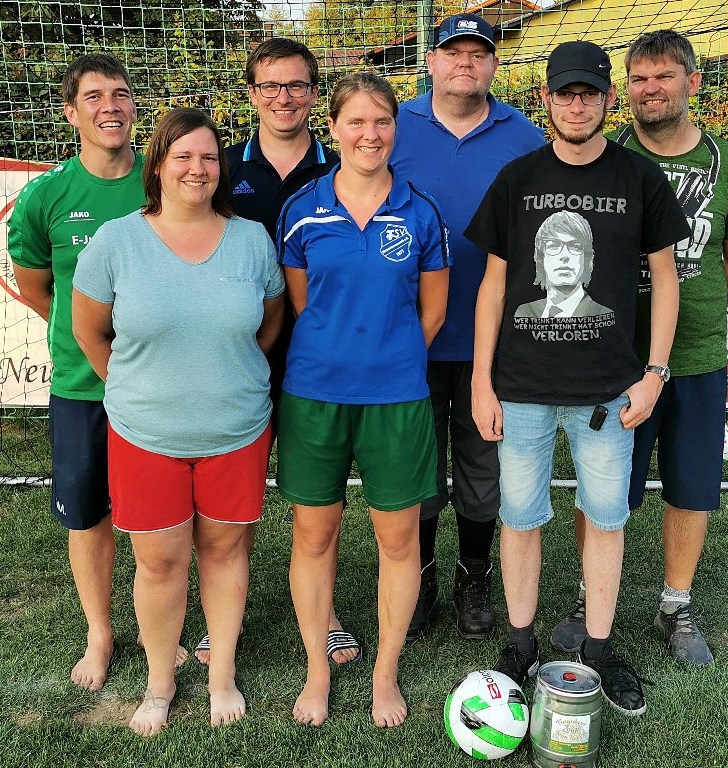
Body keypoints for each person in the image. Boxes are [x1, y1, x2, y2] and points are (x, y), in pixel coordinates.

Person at [467, 40, 689, 716]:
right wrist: (481, 381)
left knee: (605, 520)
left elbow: (665, 278)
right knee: (520, 519)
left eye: (588, 93)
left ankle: (596, 649)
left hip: (607, 393)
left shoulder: (639, 179)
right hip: (523, 389)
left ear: (606, 99)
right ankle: (519, 644)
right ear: (546, 98)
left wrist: (654, 374)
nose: (576, 104)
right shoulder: (516, 178)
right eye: (564, 92)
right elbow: (492, 285)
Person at [550, 30, 728, 668]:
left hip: (696, 358)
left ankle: (676, 603)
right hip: (612, 361)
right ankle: (591, 594)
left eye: (664, 76)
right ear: (625, 90)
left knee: (691, 487)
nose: (651, 89)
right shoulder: (605, 161)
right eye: (639, 78)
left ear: (693, 82)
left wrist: (685, 298)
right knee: (601, 488)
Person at [72, 107, 285, 735]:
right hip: (146, 435)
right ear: (158, 163)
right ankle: (160, 683)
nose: (198, 168)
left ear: (222, 169)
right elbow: (88, 329)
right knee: (159, 564)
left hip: (235, 430)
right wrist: (134, 387)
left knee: (224, 555)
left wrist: (229, 373)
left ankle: (221, 674)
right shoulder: (117, 240)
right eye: (184, 155)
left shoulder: (250, 240)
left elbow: (270, 320)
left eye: (210, 157)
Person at [7, 53, 187, 691]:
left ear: (135, 105)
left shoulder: (164, 180)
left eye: (121, 93)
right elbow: (35, 286)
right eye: (93, 97)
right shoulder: (47, 197)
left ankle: (155, 625)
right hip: (83, 386)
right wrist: (86, 335)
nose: (110, 106)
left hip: (162, 386)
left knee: (159, 514)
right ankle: (100, 633)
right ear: (70, 112)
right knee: (88, 516)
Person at [276, 72, 450, 727]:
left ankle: (384, 675)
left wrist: (386, 355)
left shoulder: (419, 211)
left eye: (381, 121)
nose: (369, 133)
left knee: (397, 541)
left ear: (394, 129)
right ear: (333, 128)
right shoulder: (302, 210)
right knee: (313, 537)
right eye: (356, 121)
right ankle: (317, 672)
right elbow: (302, 305)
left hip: (396, 397)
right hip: (315, 394)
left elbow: (431, 312)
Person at [194, 37, 359, 668]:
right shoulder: (221, 170)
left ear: (316, 93)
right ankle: (219, 618)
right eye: (270, 85)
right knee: (229, 497)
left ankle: (328, 612)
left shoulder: (343, 168)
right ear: (252, 93)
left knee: (318, 499)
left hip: (321, 361)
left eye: (296, 85)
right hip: (237, 360)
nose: (283, 97)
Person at [390, 13, 545, 640]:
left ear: (493, 66)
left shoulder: (524, 135)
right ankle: (421, 575)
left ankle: (472, 576)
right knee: (418, 468)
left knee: (484, 471)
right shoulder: (393, 125)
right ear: (431, 61)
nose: (465, 63)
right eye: (452, 52)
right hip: (412, 337)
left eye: (478, 54)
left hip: (493, 343)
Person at [514, 212, 614, 319]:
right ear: (540, 257)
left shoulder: (603, 315)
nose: (565, 256)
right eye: (553, 245)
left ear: (587, 257)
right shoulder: (523, 313)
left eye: (575, 246)